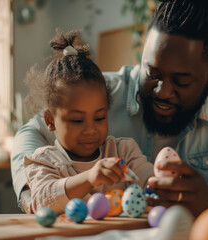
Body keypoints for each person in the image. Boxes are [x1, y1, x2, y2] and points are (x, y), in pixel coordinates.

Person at [11, 0, 208, 217]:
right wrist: (36, 193)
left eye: (181, 80)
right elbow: (30, 132)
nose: (163, 91)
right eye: (152, 73)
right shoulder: (99, 94)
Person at [21, 30, 153, 214]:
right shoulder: (43, 161)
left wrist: (163, 180)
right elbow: (40, 201)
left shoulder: (123, 153)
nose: (91, 130)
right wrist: (89, 178)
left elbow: (150, 184)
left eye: (99, 118)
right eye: (77, 120)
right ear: (50, 121)